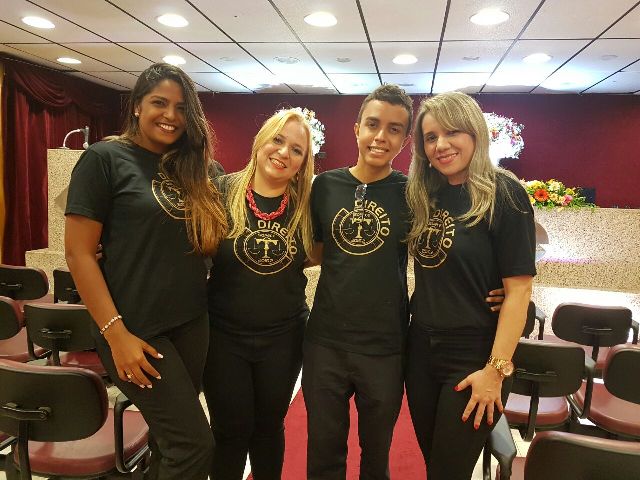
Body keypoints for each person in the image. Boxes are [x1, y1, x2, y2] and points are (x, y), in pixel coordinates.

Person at [64, 63, 226, 479]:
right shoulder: (104, 159)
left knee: (167, 442)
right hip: (135, 330)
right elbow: (79, 254)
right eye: (159, 103)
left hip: (191, 324)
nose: (171, 115)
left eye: (181, 108)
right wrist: (115, 335)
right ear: (137, 106)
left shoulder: (199, 169)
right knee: (193, 446)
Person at [404, 91, 536, 480]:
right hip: (420, 350)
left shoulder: (504, 192)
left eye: (452, 132)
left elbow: (519, 291)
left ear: (475, 132)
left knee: (448, 472)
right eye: (431, 137)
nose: (441, 145)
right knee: (435, 465)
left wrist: (495, 372)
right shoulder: (423, 192)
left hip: (474, 355)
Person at [303, 84, 414, 480]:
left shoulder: (412, 193)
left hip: (385, 345)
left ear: (406, 139)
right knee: (323, 451)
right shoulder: (325, 186)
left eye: (394, 129)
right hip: (326, 342)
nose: (381, 136)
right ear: (356, 129)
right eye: (373, 124)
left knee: (376, 455)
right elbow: (314, 251)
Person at [203, 108, 315, 480]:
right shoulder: (220, 191)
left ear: (303, 163)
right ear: (260, 142)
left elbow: (330, 253)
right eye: (277, 140)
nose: (284, 153)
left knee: (268, 428)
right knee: (229, 431)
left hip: (283, 338)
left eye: (296, 150)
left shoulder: (307, 207)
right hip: (224, 337)